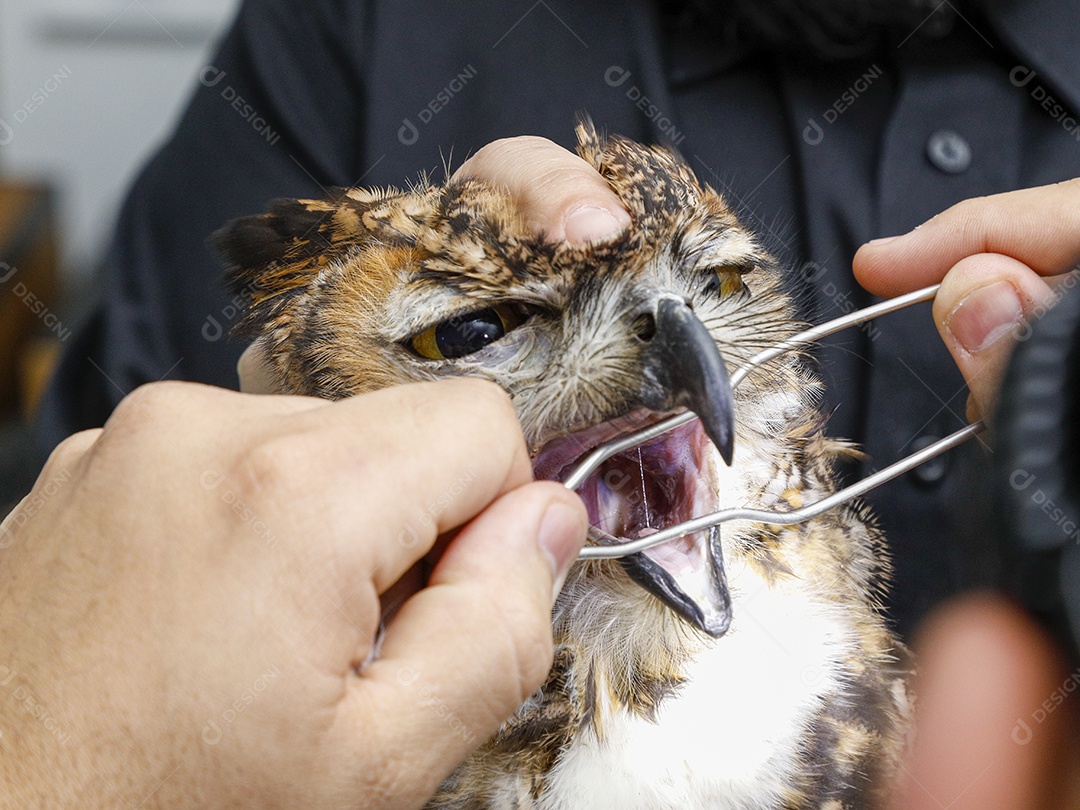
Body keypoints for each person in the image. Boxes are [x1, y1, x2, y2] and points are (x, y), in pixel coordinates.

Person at [11, 0, 1079, 805]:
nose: (679, 351)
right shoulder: (367, 24)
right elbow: (92, 556)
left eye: (719, 292)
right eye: (469, 333)